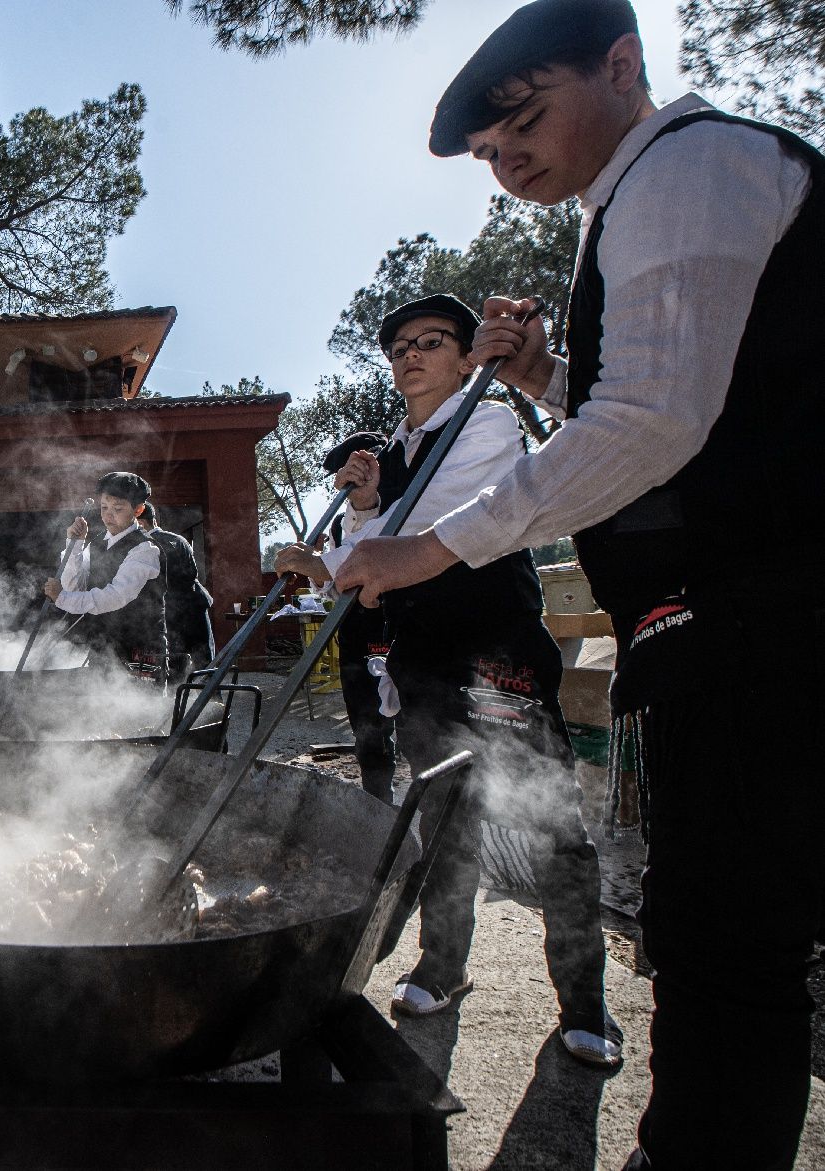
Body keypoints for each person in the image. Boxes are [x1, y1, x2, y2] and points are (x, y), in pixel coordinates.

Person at [335, 4, 824, 1165]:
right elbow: (683, 417)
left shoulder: (690, 166)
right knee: (711, 925)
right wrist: (557, 377)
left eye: (522, 125)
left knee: (723, 935)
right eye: (490, 156)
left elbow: (651, 422)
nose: (507, 164)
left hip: (771, 609)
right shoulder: (634, 203)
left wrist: (428, 548)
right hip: (719, 621)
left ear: (620, 64)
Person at [278, 293, 618, 1070]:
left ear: (467, 357)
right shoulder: (393, 448)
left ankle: (584, 997)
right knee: (443, 823)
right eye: (398, 346)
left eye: (430, 341)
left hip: (495, 651)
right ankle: (444, 962)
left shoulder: (484, 422)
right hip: (422, 659)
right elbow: (373, 562)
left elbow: (431, 519)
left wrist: (361, 521)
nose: (410, 355)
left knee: (554, 829)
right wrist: (359, 511)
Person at [323, 433, 398, 803]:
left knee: (422, 720)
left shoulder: (405, 507)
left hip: (397, 624)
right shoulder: (339, 525)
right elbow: (333, 577)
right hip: (356, 630)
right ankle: (378, 800)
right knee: (367, 722)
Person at [42, 471, 165, 678]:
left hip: (139, 652)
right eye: (104, 508)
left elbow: (114, 597)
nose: (109, 515)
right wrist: (75, 545)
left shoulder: (145, 549)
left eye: (118, 509)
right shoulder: (100, 541)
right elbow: (76, 586)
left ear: (138, 510)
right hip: (102, 647)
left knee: (137, 709)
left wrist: (62, 598)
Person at [138, 502, 215, 679]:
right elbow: (192, 573)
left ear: (141, 523)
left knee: (173, 659)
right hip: (195, 603)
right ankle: (212, 698)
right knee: (203, 655)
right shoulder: (179, 540)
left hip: (170, 609)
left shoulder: (144, 546)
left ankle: (176, 700)